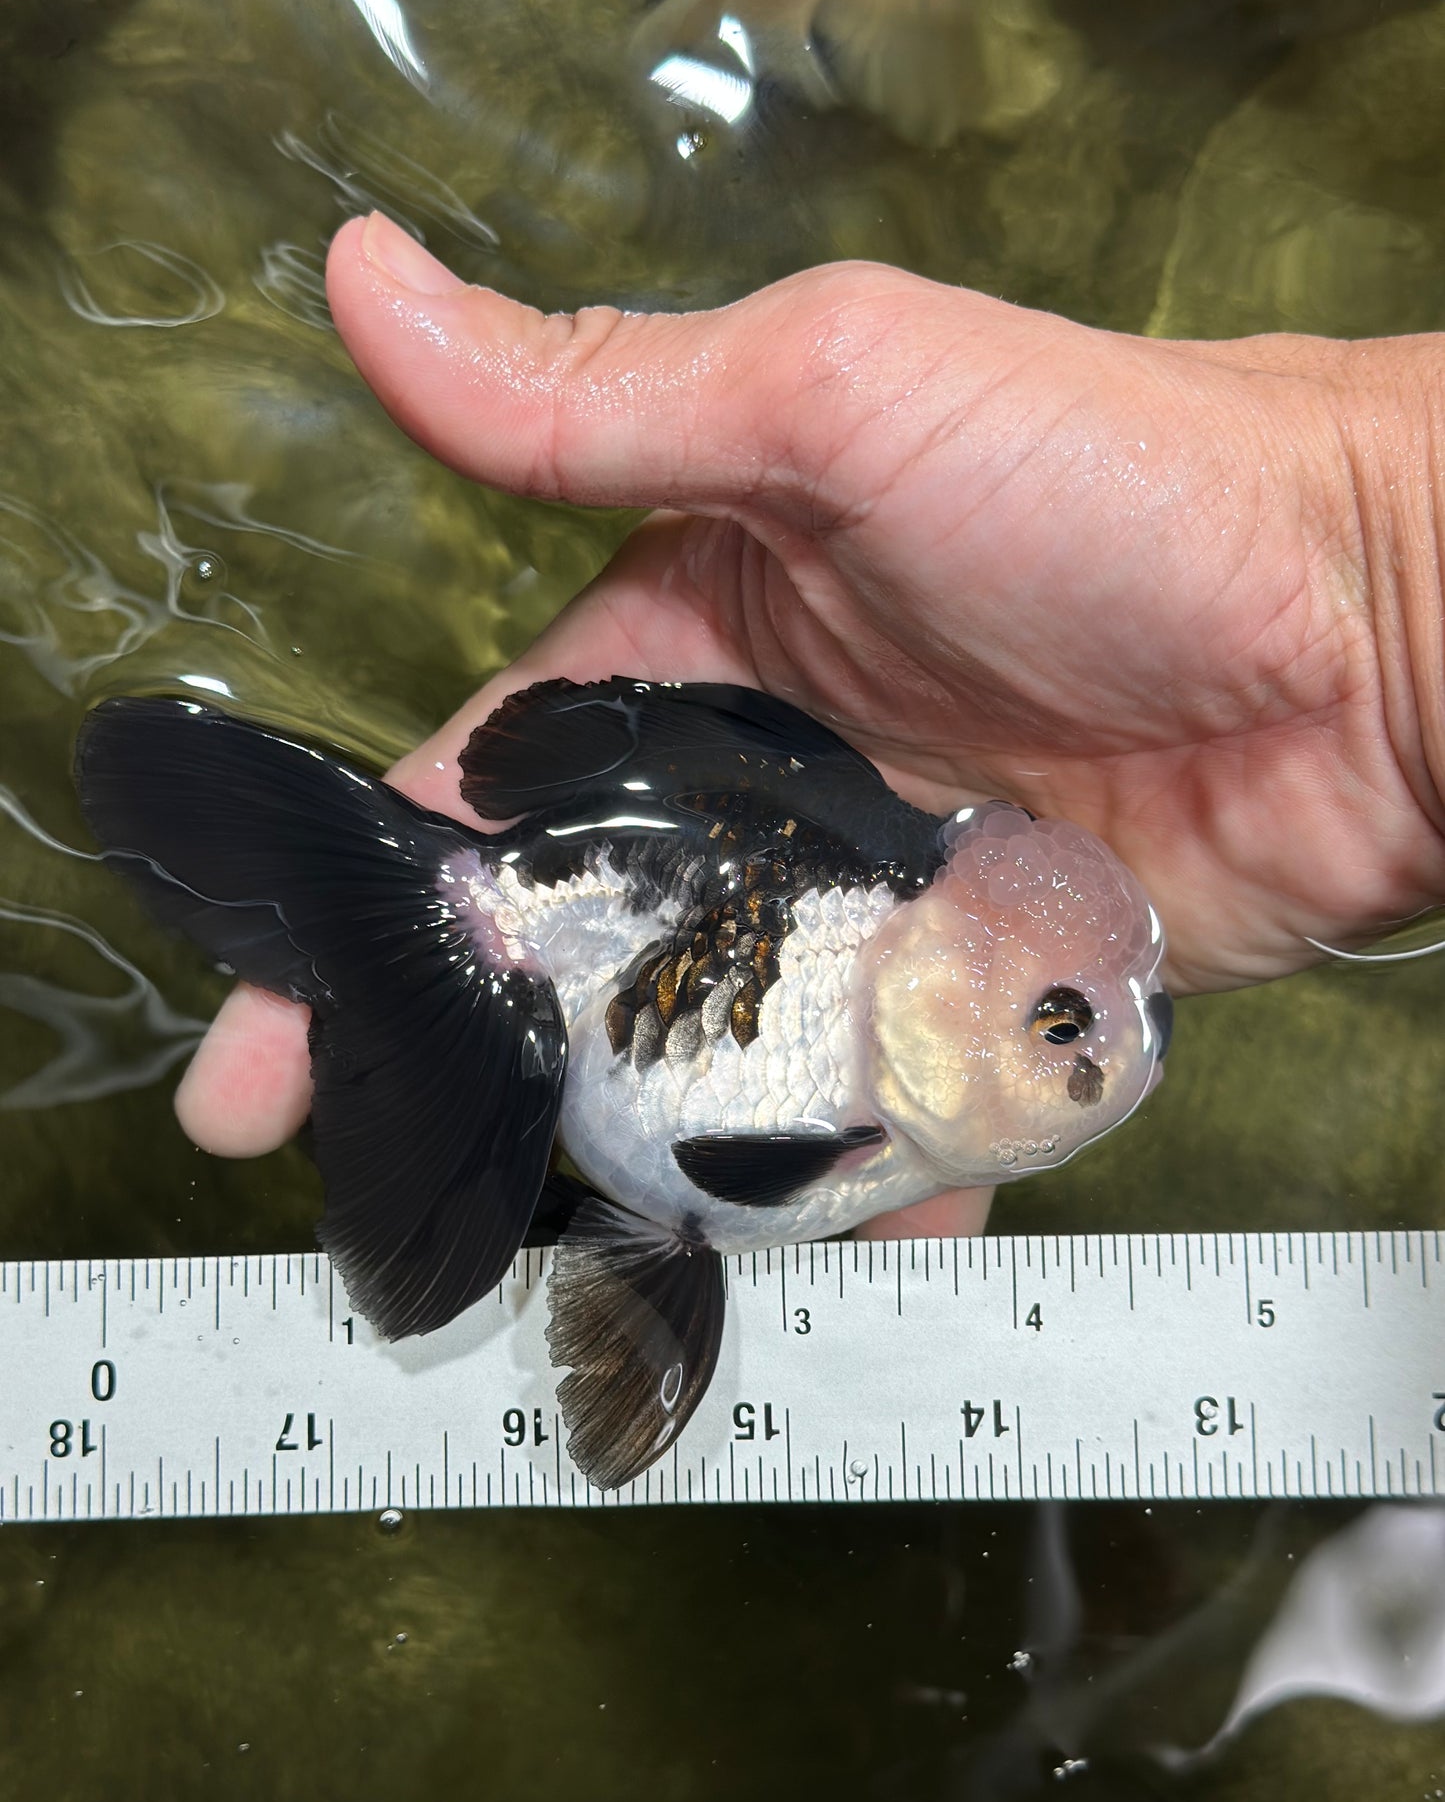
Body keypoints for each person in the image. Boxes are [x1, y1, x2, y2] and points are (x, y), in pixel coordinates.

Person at [175, 211, 1445, 1239]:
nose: (1106, 1041)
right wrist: (1377, 575)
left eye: (1077, 1019)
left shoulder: (902, 1012)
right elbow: (740, 1165)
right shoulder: (874, 955)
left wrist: (1385, 584)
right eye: (1059, 1024)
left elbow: (738, 1170)